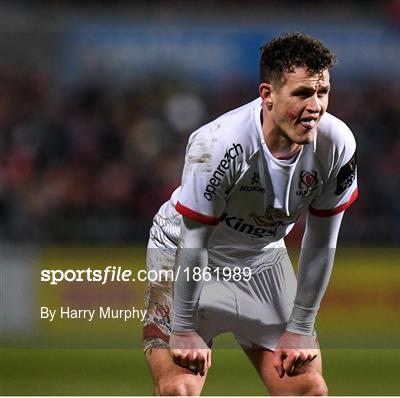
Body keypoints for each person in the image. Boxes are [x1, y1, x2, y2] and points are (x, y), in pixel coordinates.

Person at [143, 32, 357, 396]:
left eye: (322, 93)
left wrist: (301, 327)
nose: (316, 107)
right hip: (187, 254)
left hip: (262, 259)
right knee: (179, 389)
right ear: (267, 95)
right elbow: (194, 239)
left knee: (308, 390)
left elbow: (321, 239)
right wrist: (181, 327)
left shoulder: (336, 143)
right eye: (303, 93)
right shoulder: (217, 145)